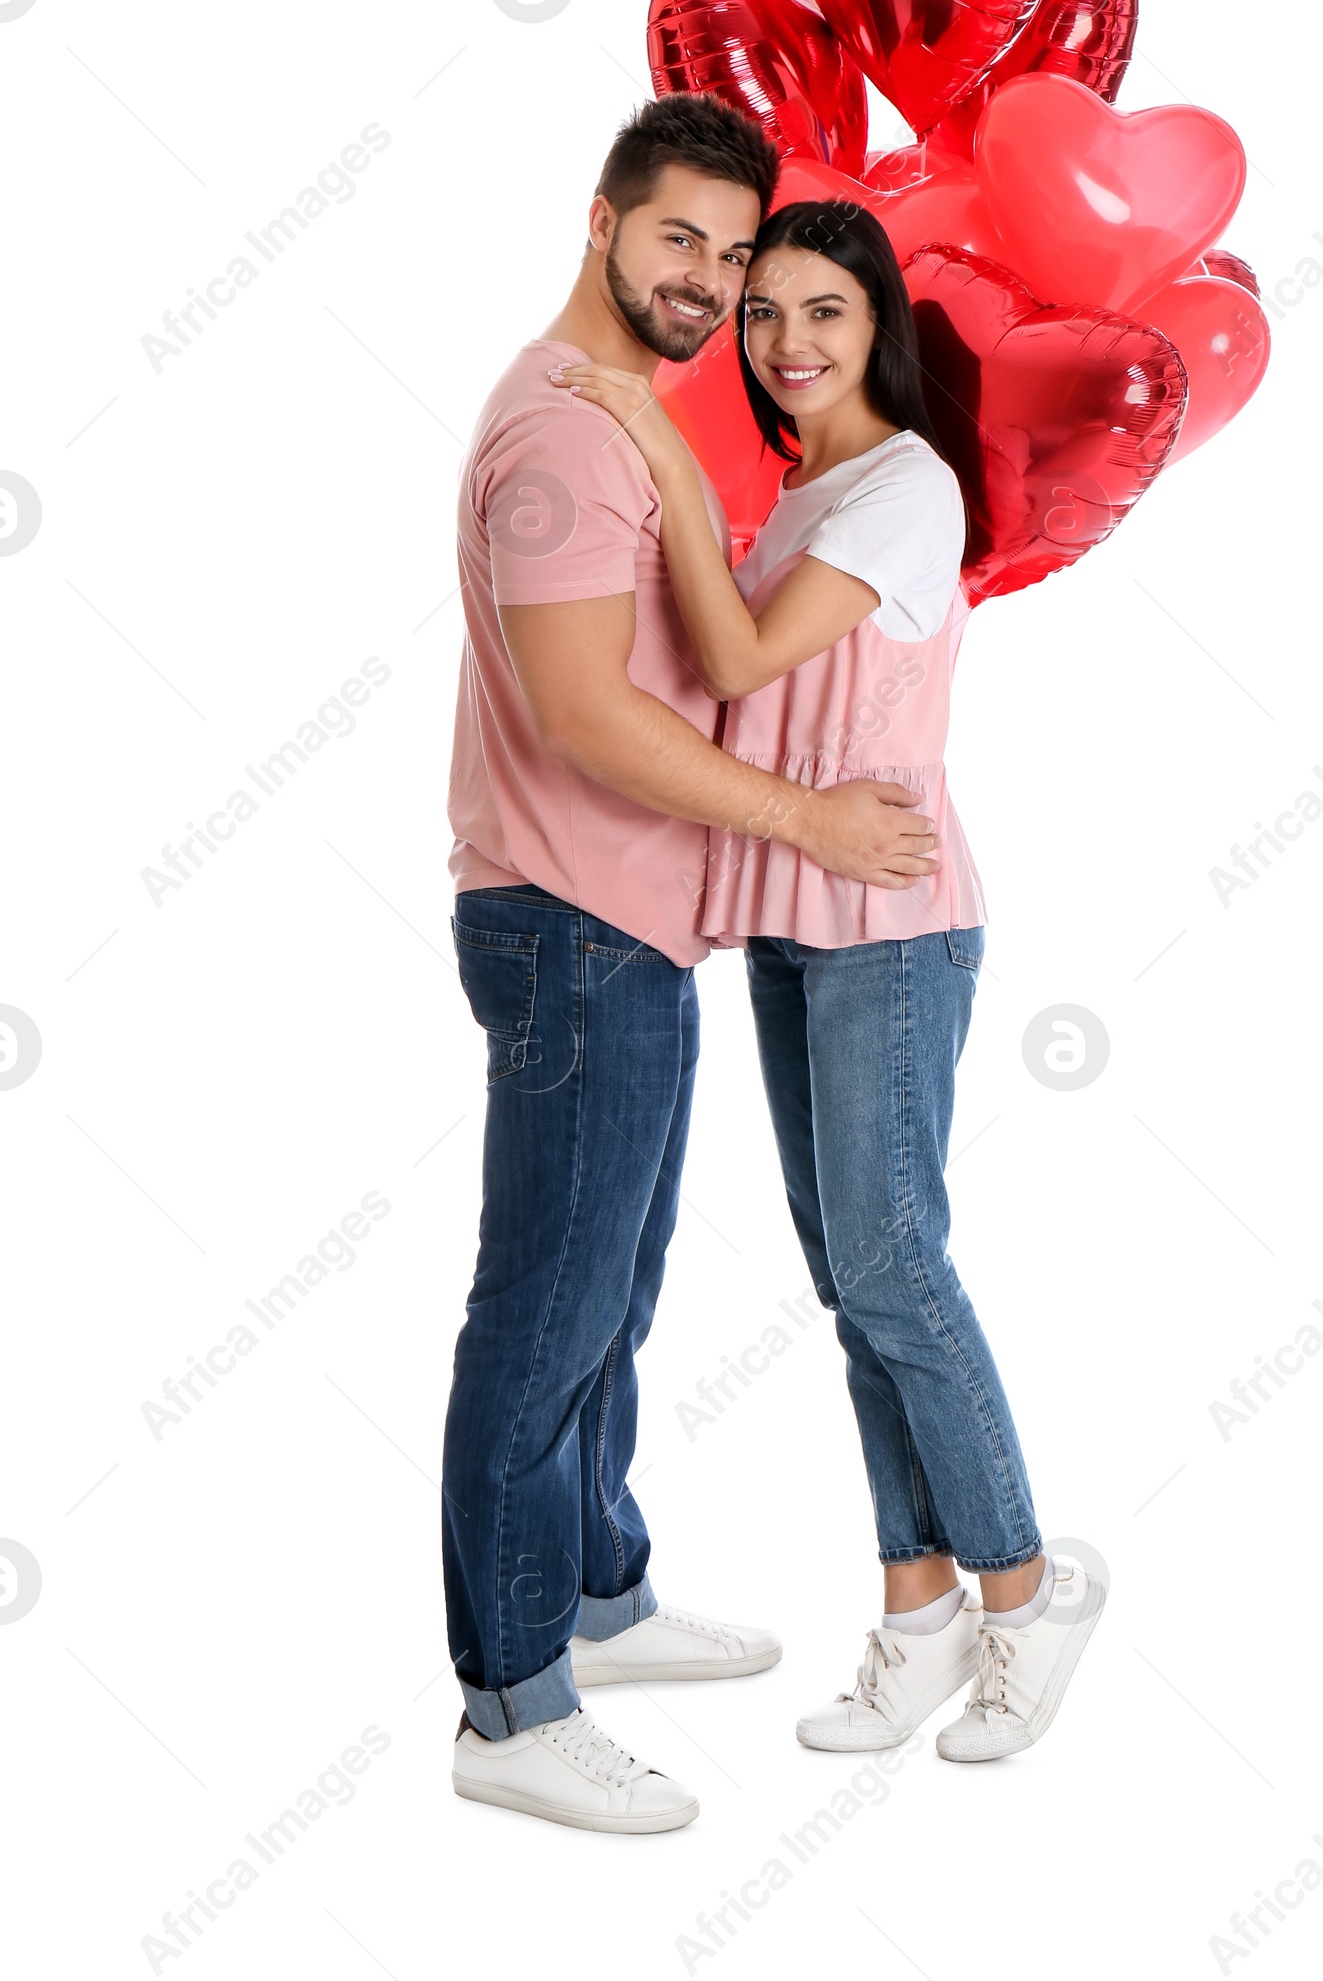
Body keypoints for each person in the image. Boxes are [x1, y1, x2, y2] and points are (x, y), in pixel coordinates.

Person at [557, 197, 1106, 1768]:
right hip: (797, 918)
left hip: (892, 924)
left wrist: (658, 444)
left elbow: (734, 667)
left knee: (894, 1268)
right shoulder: (811, 493)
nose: (788, 344)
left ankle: (1024, 1582)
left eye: (824, 314)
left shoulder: (906, 492)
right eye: (765, 314)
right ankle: (918, 1611)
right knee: (855, 1279)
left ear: (880, 329)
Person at [444, 105, 941, 1836]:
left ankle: (598, 1592)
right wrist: (806, 819)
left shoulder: (623, 419)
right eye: (683, 245)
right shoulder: (576, 442)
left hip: (628, 923)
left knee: (617, 1291)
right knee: (546, 1311)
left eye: (736, 258)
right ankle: (513, 1702)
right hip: (573, 920)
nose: (714, 285)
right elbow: (587, 714)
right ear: (602, 226)